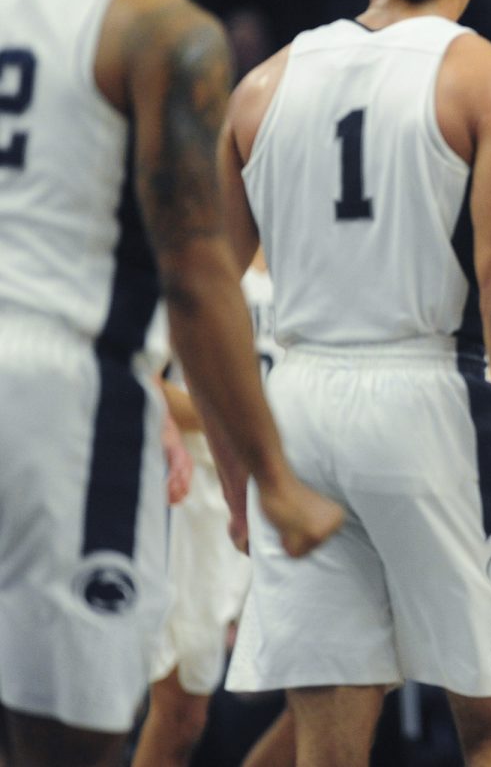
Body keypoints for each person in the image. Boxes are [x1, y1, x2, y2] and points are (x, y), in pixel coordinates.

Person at [218, 0, 491, 767]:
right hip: (432, 404)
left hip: (297, 406)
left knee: (327, 743)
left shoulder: (259, 88)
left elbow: (215, 311)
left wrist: (248, 480)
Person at [0, 0, 341, 767]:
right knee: (81, 739)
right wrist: (272, 477)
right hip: (64, 387)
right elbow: (196, 278)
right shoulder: (168, 29)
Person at [132, 251, 281, 767]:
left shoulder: (315, 237)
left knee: (353, 680)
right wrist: (258, 420)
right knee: (180, 715)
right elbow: (140, 377)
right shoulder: (197, 235)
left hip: (298, 485)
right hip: (202, 492)